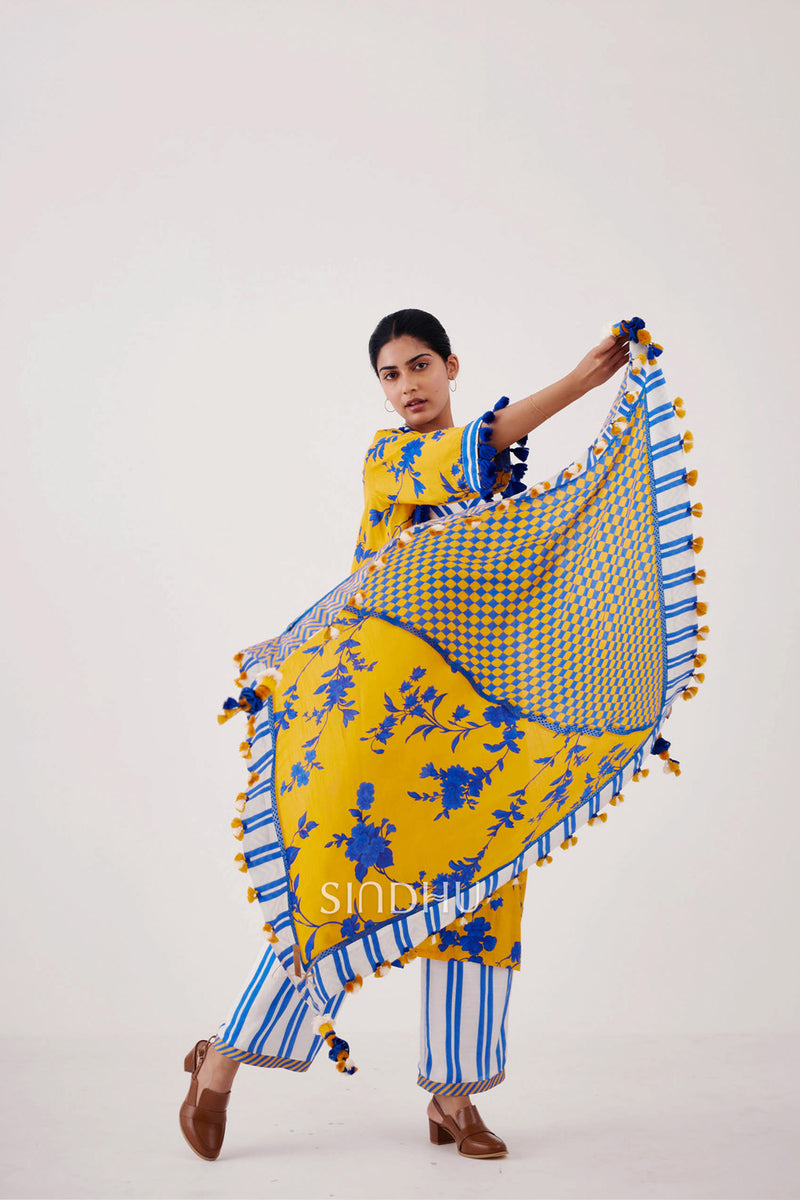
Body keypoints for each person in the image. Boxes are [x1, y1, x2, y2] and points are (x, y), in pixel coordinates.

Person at [180, 309, 630, 1161]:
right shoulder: (391, 461)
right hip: (381, 722)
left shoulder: (503, 496)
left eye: (419, 365)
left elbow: (532, 577)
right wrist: (581, 382)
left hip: (481, 734)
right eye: (390, 375)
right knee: (337, 893)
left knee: (481, 893)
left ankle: (454, 1098)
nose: (407, 385)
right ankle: (221, 1061)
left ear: (451, 366)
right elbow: (479, 442)